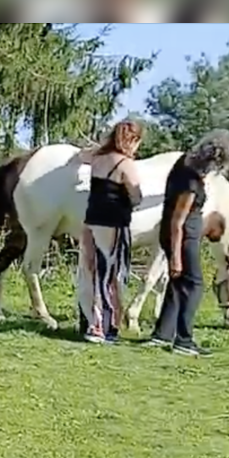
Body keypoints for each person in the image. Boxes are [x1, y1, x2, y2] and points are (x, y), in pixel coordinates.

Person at [144, 129, 229, 357]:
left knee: (177, 285)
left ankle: (162, 335)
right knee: (194, 286)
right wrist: (177, 257)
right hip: (182, 237)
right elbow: (178, 221)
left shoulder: (182, 164)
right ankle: (184, 340)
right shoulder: (191, 183)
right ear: (215, 160)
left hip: (175, 234)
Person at [75, 119, 144, 343]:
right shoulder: (126, 164)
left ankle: (95, 322)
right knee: (109, 275)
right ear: (132, 140)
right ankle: (103, 327)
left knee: (93, 271)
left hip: (91, 218)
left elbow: (80, 156)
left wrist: (100, 146)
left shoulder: (97, 158)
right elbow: (136, 197)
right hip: (113, 222)